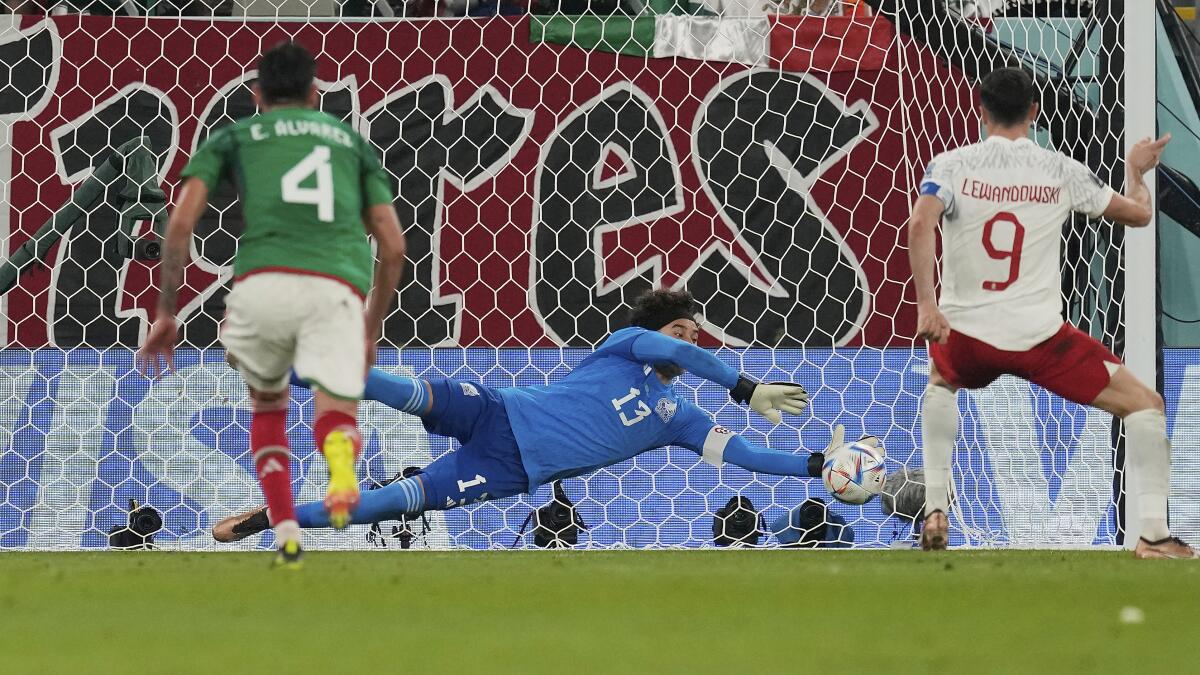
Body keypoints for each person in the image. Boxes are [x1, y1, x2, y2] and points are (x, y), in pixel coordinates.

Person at [212, 288, 843, 544]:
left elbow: (747, 456)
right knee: (401, 390)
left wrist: (820, 465)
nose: (690, 342)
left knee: (398, 500)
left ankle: (273, 516)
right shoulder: (627, 346)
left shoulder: (677, 418)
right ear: (656, 329)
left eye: (697, 333)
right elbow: (672, 348)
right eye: (681, 329)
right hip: (497, 409)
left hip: (507, 465)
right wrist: (745, 385)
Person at [137, 41, 407, 568]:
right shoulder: (350, 144)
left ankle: (285, 528)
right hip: (336, 287)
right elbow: (394, 246)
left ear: (257, 94)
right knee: (335, 403)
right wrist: (371, 326)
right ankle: (340, 468)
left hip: (262, 287)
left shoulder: (236, 137)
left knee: (267, 406)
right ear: (315, 93)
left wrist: (167, 310)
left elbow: (179, 226)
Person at [908, 67, 1193, 558]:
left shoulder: (950, 165)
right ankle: (1152, 536)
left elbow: (920, 223)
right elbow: (1140, 215)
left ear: (981, 110)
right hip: (1039, 337)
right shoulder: (1060, 169)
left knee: (940, 381)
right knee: (1145, 405)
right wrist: (1136, 171)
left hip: (967, 334)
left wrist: (928, 304)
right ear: (1036, 113)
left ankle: (936, 507)